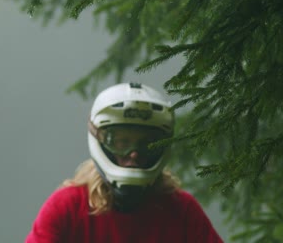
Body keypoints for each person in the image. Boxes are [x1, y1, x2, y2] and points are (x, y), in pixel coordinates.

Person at [26, 82, 223, 243]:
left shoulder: (182, 211)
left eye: (147, 143)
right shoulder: (67, 207)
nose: (134, 154)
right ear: (101, 140)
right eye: (121, 142)